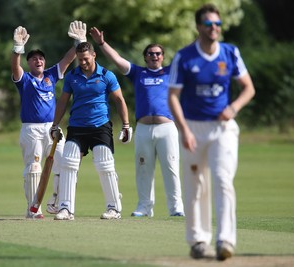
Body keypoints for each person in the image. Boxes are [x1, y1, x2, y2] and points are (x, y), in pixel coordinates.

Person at [168, 3, 255, 261]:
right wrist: (183, 130)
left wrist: (234, 107)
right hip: (193, 127)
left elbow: (248, 88)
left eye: (217, 24)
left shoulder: (230, 53)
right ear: (199, 27)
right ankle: (198, 240)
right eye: (208, 24)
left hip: (223, 128)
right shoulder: (184, 57)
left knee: (222, 179)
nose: (214, 28)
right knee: (196, 186)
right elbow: (173, 96)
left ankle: (225, 240)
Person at [89, 27, 185, 217]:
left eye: (158, 53)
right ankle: (144, 206)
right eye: (150, 53)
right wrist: (101, 43)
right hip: (143, 128)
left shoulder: (170, 72)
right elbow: (117, 60)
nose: (154, 56)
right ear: (145, 57)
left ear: (163, 56)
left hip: (167, 128)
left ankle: (176, 208)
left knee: (171, 167)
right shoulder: (138, 73)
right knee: (143, 168)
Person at [11, 21, 87, 219]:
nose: (38, 61)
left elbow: (67, 60)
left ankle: (57, 202)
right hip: (31, 130)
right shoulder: (25, 80)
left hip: (52, 129)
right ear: (29, 63)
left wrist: (78, 43)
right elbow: (14, 66)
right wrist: (18, 49)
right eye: (34, 59)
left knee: (66, 164)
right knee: (34, 168)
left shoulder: (51, 75)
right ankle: (33, 208)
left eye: (41, 59)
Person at [50, 41, 132, 221]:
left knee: (104, 163)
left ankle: (114, 208)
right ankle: (66, 209)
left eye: (86, 59)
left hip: (100, 125)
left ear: (94, 55)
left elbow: (119, 99)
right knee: (68, 163)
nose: (83, 63)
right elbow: (63, 101)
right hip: (77, 126)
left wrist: (126, 125)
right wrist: (55, 125)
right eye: (80, 60)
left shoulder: (106, 75)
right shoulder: (72, 76)